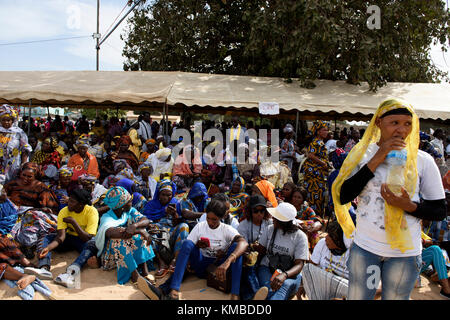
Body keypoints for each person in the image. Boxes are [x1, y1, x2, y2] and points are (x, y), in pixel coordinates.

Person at [332, 98, 447, 300]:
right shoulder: (362, 154)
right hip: (366, 248)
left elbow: (439, 210)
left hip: (404, 254)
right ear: (378, 123)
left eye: (407, 124)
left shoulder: (423, 161)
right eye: (394, 123)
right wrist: (379, 156)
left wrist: (409, 206)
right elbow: (343, 196)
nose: (401, 130)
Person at [138, 198, 248, 300]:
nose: (210, 222)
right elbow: (187, 247)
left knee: (236, 249)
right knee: (187, 244)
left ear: (221, 218)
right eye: (208, 218)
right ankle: (173, 290)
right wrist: (197, 246)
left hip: (218, 268)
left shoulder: (226, 229)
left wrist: (227, 261)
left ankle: (235, 294)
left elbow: (244, 243)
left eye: (214, 220)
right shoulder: (201, 226)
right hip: (201, 265)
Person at [24, 189, 99, 281]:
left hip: (82, 241)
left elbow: (87, 238)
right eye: (69, 200)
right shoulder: (64, 211)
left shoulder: (92, 211)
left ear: (81, 204)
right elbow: (61, 236)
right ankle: (44, 268)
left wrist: (73, 222)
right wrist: (48, 248)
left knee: (92, 244)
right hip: (69, 238)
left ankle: (70, 273)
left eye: (72, 201)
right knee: (47, 237)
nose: (68, 203)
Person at [95, 186, 154, 285]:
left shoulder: (129, 211)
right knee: (118, 240)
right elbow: (112, 233)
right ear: (121, 205)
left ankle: (144, 271)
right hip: (113, 257)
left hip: (128, 251)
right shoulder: (107, 218)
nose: (131, 202)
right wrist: (138, 231)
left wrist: (135, 226)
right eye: (129, 201)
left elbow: (145, 220)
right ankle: (134, 275)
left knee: (141, 232)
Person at [252, 202, 309, 300]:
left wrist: (284, 275)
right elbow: (261, 251)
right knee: (269, 287)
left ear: (284, 221)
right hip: (267, 268)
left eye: (275, 217)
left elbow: (299, 264)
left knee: (284, 286)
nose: (272, 219)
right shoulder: (270, 229)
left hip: (290, 275)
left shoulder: (300, 237)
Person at [142, 179, 189, 279]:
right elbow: (146, 219)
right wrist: (163, 212)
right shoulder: (151, 205)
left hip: (171, 232)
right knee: (152, 231)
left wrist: (175, 215)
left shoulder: (175, 203)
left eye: (169, 195)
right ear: (158, 194)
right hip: (158, 233)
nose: (166, 198)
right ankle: (161, 262)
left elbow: (177, 222)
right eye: (163, 194)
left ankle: (175, 260)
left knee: (184, 226)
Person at [302, 221, 351, 300]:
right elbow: (311, 266)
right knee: (307, 268)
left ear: (339, 240)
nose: (326, 238)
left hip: (342, 293)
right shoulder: (322, 244)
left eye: (331, 236)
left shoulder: (353, 255)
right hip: (322, 286)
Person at [238, 194, 273, 300]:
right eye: (255, 211)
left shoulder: (269, 223)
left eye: (262, 211)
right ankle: (256, 294)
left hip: (265, 259)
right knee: (248, 268)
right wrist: (252, 247)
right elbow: (242, 245)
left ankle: (254, 295)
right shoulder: (244, 225)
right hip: (249, 259)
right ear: (250, 211)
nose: (259, 214)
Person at [301, 121, 331, 217]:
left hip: (318, 175)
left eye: (327, 130)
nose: (327, 132)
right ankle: (314, 217)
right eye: (324, 130)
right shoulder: (315, 142)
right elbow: (310, 155)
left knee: (318, 196)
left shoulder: (320, 142)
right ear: (318, 132)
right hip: (314, 175)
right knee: (314, 196)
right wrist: (323, 164)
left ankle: (317, 217)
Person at [0, 104, 32, 183]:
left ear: (13, 120)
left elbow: (25, 149)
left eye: (8, 120)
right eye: (3, 120)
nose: (6, 122)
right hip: (0, 163)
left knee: (12, 185)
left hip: (14, 165)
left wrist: (24, 163)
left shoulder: (18, 132)